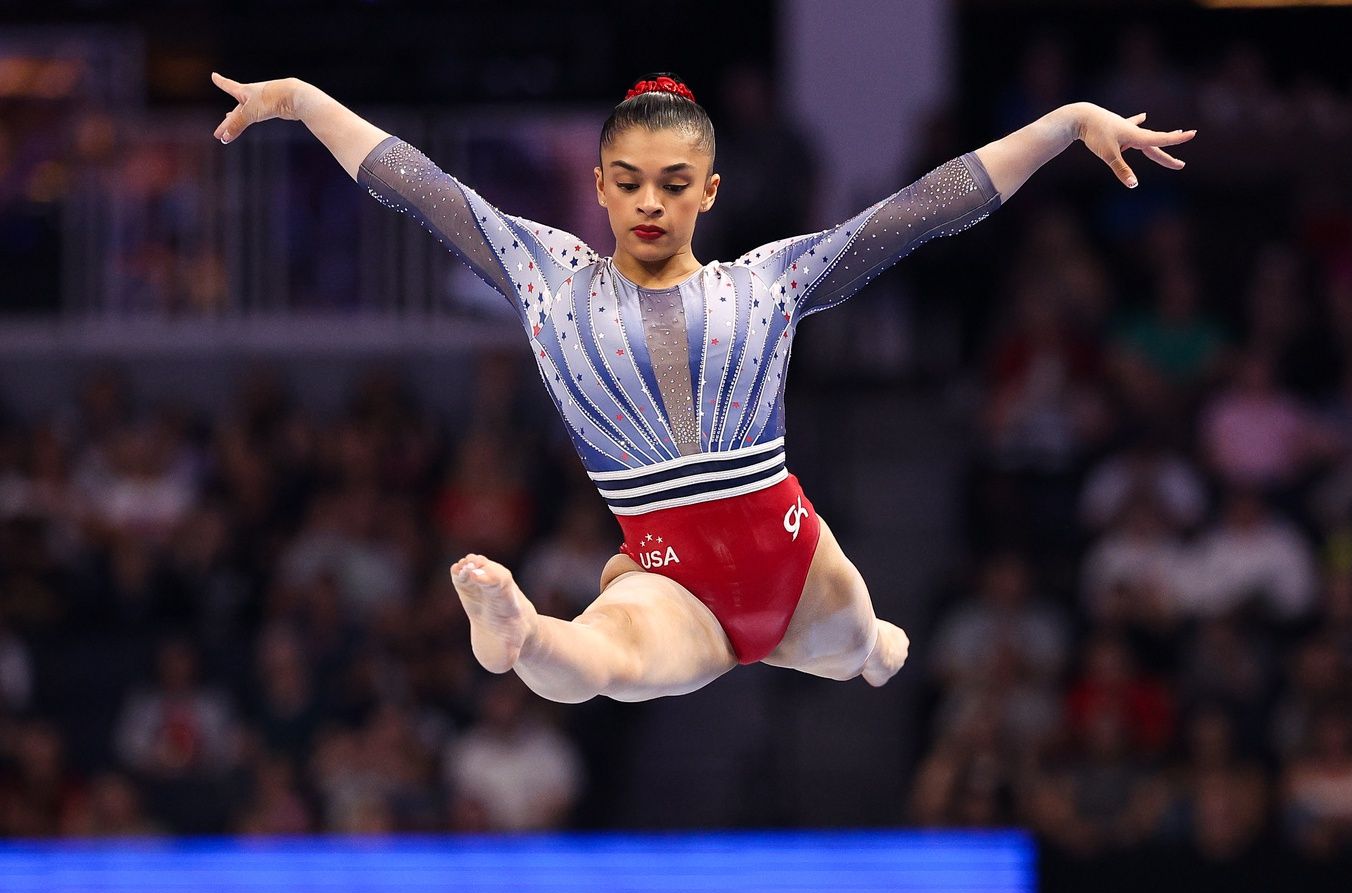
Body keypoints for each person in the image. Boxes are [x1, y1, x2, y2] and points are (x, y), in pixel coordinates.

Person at [211, 69, 1194, 704]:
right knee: (603, 664)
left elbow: (925, 210)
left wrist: (1064, 122)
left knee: (862, 646)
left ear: (709, 192)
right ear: (596, 184)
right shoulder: (543, 271)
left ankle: (869, 649)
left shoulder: (768, 280)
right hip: (667, 572)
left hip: (794, 565)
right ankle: (514, 626)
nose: (649, 202)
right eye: (629, 181)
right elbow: (414, 183)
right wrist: (301, 100)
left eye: (674, 183)